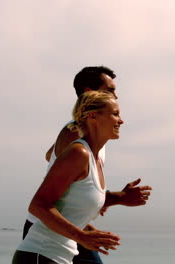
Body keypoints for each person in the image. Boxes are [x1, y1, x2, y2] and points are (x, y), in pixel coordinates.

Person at [22, 66, 152, 264]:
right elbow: (41, 204)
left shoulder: (91, 140)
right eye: (110, 90)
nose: (116, 96)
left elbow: (52, 157)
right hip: (49, 233)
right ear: (90, 93)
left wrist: (108, 200)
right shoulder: (77, 137)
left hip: (69, 233)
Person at [13, 91, 125, 264]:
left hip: (59, 257)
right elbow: (38, 206)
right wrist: (82, 237)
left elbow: (71, 212)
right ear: (93, 116)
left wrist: (90, 232)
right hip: (40, 255)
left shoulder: (96, 161)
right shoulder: (78, 153)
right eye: (115, 114)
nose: (121, 120)